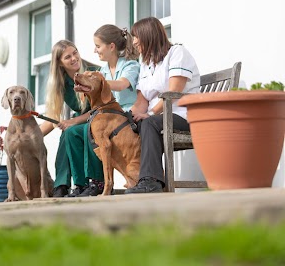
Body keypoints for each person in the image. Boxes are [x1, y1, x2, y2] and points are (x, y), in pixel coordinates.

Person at [125, 17, 200, 194]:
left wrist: (151, 114)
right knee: (120, 127)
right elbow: (141, 101)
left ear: (148, 35)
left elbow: (174, 91)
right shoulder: (145, 64)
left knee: (149, 123)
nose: (134, 41)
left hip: (184, 116)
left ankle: (151, 182)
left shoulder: (177, 53)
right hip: (159, 117)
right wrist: (122, 117)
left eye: (136, 36)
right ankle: (131, 179)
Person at [78, 24, 140, 196]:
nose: (95, 50)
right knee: (76, 132)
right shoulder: (102, 71)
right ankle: (86, 182)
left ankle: (102, 182)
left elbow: (121, 84)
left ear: (111, 46)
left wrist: (97, 82)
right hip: (108, 118)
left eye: (98, 46)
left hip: (127, 116)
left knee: (88, 130)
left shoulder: (131, 65)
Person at [40, 40, 100, 197]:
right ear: (60, 64)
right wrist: (30, 137)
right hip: (82, 119)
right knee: (67, 134)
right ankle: (61, 185)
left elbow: (98, 108)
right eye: (68, 57)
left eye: (75, 53)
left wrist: (72, 121)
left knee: (71, 130)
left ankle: (83, 183)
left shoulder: (93, 72)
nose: (74, 58)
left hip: (99, 116)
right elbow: (53, 117)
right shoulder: (60, 83)